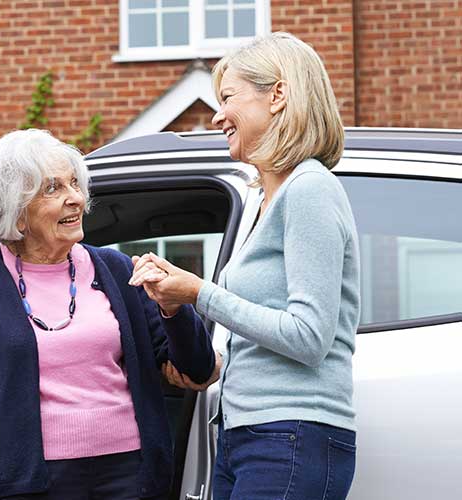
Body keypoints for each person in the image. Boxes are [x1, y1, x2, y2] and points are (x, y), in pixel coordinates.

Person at [0, 128, 217, 499]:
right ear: (17, 210)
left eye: (75, 184)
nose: (76, 199)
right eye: (53, 189)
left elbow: (195, 367)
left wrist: (173, 308)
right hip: (33, 483)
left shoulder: (115, 269)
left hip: (132, 475)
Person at [130, 32, 360, 500]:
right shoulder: (265, 200)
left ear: (277, 95)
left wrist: (199, 293)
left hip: (288, 435)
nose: (217, 115)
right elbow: (268, 330)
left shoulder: (309, 189)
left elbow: (309, 337)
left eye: (228, 97)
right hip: (250, 434)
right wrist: (215, 361)